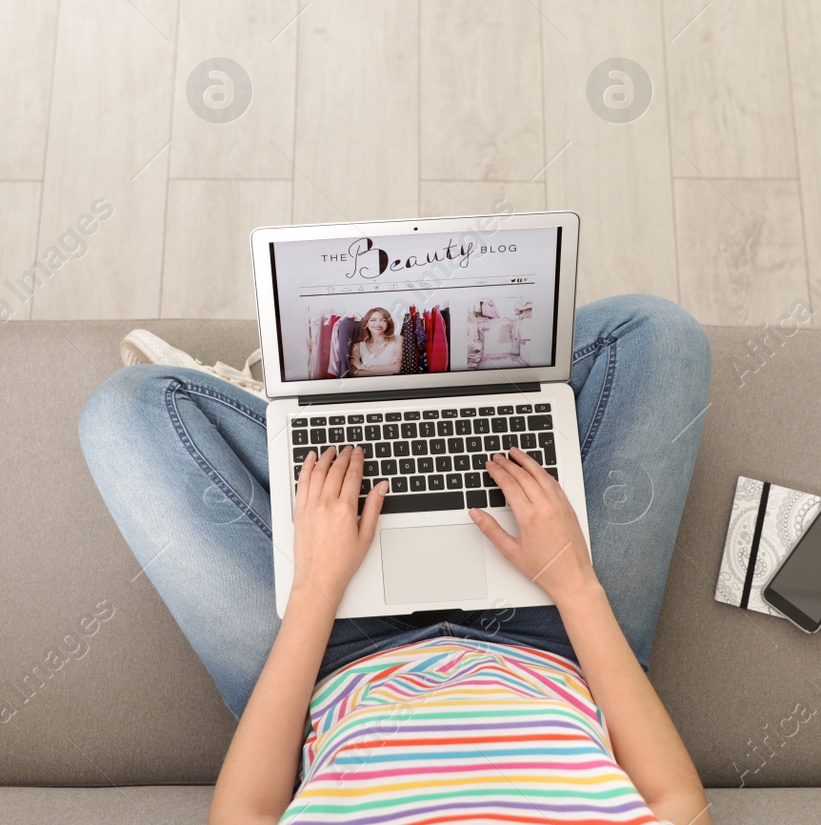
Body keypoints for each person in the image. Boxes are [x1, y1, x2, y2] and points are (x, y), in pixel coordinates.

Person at [80, 295, 713, 825]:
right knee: (656, 336)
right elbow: (679, 805)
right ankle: (419, 408)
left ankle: (326, 419)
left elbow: (244, 816)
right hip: (559, 641)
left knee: (124, 411)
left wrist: (316, 588)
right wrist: (576, 585)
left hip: (327, 659)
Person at [347, 306, 401, 376]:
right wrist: (389, 367)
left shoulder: (398, 340)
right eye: (373, 320)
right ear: (366, 324)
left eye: (383, 320)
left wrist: (362, 367)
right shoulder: (357, 346)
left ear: (388, 323)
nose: (378, 324)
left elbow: (396, 369)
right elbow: (355, 373)